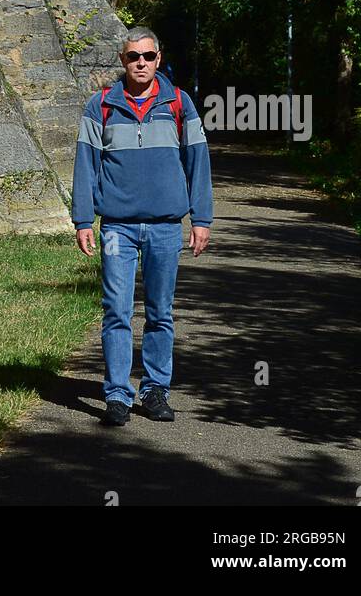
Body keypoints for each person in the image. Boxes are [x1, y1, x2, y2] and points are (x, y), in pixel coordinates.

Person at [71, 26, 213, 425]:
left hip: (166, 227)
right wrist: (83, 218)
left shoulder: (179, 103)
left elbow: (198, 163)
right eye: (133, 56)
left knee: (160, 313)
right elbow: (86, 166)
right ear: (123, 61)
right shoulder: (100, 106)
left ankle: (154, 391)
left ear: (159, 59)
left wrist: (201, 218)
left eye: (148, 56)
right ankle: (117, 395)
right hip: (117, 227)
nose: (141, 63)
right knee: (116, 311)